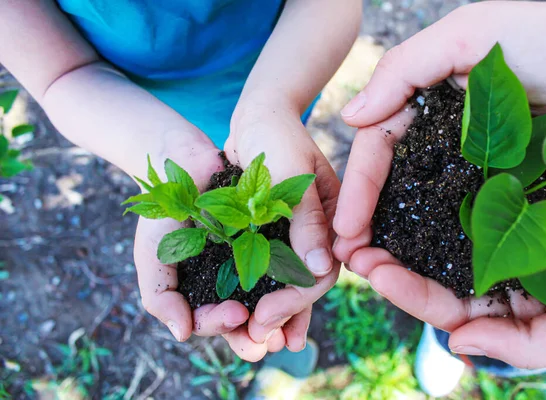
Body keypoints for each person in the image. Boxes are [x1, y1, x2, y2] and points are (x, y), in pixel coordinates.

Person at [0, 0, 362, 362]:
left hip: (289, 62)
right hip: (136, 106)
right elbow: (63, 73)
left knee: (272, 157)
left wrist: (274, 105)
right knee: (240, 177)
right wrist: (161, 149)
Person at [333, 0, 546, 396]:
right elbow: (491, 91)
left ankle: (468, 353)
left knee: (499, 335)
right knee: (467, 321)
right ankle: (448, 344)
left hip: (492, 280)